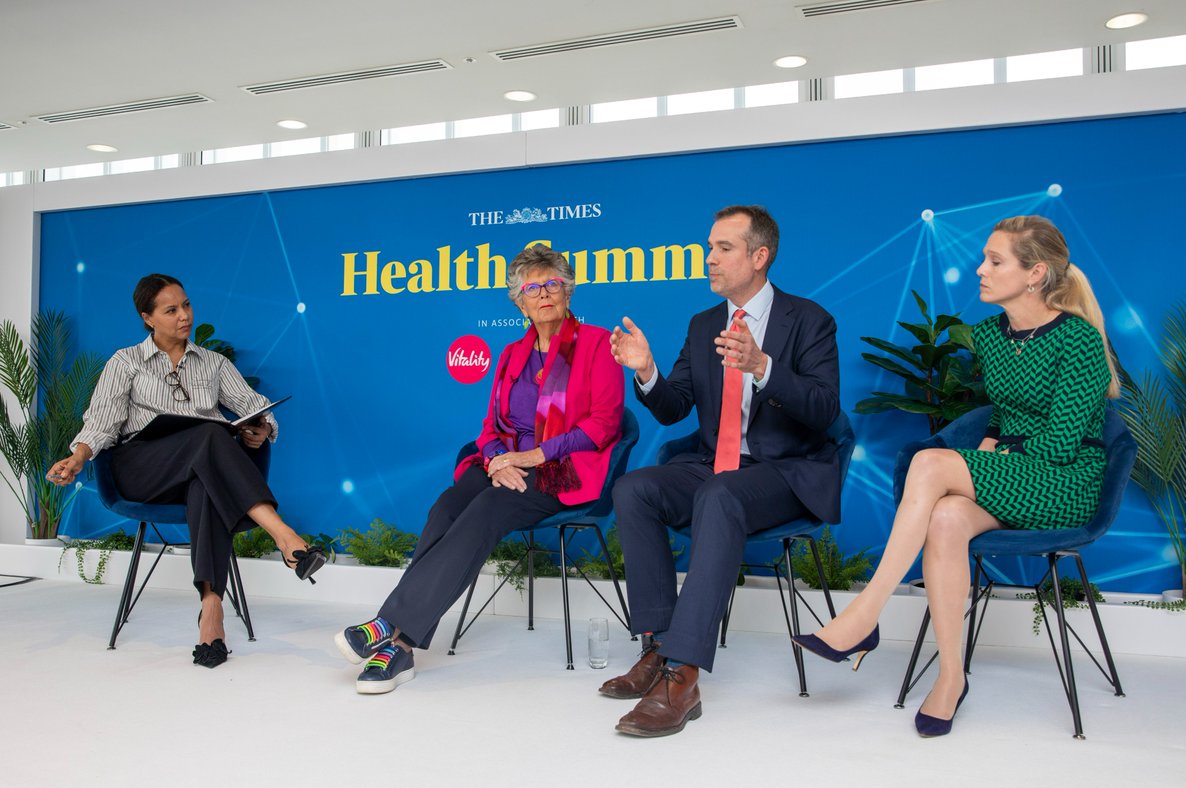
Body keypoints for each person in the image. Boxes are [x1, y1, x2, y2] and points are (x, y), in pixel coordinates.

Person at [794, 215, 1120, 737]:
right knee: (944, 517)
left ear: (1035, 273)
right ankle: (950, 678)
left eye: (996, 261)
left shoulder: (1077, 340)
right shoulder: (990, 336)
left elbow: (1060, 444)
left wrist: (992, 455)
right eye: (984, 258)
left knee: (929, 462)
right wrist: (992, 443)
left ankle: (864, 615)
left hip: (1064, 484)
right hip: (1016, 474)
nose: (980, 270)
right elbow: (1005, 412)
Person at [334, 243, 624, 694]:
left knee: (488, 508)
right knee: (447, 507)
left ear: (568, 291)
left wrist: (531, 458)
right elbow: (490, 426)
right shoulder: (511, 355)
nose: (544, 293)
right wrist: (494, 460)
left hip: (559, 471)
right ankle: (402, 649)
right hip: (506, 464)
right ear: (519, 300)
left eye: (552, 284)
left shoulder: (597, 346)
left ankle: (392, 629)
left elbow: (604, 425)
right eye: (532, 287)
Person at [605, 205, 842, 737]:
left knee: (719, 496)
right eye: (708, 247)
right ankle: (658, 646)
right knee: (635, 488)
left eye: (723, 249)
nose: (708, 258)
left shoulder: (809, 320)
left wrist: (763, 367)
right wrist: (646, 371)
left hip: (783, 473)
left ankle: (683, 677)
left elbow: (826, 410)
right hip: (717, 466)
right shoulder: (703, 324)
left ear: (760, 257)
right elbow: (674, 407)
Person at [46, 273, 325, 668]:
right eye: (171, 310)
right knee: (210, 435)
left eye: (187, 305)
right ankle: (285, 537)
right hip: (142, 470)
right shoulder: (125, 362)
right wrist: (78, 456)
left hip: (199, 470)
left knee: (206, 479)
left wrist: (261, 429)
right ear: (148, 318)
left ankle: (211, 612)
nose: (184, 316)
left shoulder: (214, 363)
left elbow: (254, 405)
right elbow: (101, 423)